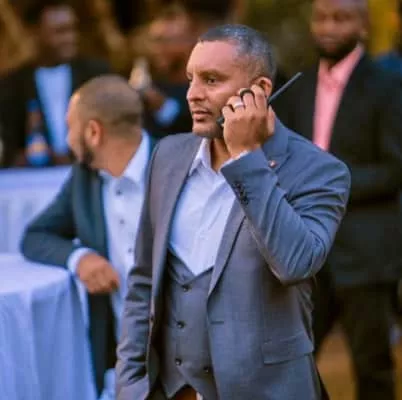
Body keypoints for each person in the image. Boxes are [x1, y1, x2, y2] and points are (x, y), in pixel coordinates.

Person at [116, 24, 350, 400]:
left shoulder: (321, 171)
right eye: (191, 79)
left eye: (211, 80)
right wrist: (130, 385)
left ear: (260, 90)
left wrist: (246, 158)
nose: (193, 94)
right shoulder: (167, 156)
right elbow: (143, 280)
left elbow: (295, 264)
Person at [274, 0, 402, 399]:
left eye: (341, 18)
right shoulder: (298, 84)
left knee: (372, 366)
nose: (329, 27)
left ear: (363, 26)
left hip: (365, 253)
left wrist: (328, 186)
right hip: (305, 250)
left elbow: (395, 168)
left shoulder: (388, 84)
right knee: (293, 360)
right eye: (322, 18)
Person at [21, 74, 156, 397]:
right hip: (125, 365)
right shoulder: (85, 179)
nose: (68, 140)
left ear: (93, 132)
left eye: (70, 127)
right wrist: (80, 257)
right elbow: (35, 235)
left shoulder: (177, 166)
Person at [0, 0, 110, 167]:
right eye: (60, 32)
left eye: (72, 29)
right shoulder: (12, 84)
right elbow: (8, 144)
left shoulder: (96, 75)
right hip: (34, 179)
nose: (70, 38)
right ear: (35, 34)